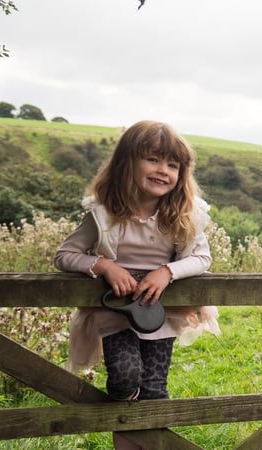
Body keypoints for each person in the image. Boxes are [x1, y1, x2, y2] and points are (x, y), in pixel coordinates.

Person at [54, 120, 221, 450]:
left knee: (155, 389)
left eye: (172, 165)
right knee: (126, 376)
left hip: (160, 314)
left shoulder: (185, 214)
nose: (163, 171)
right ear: (126, 162)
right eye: (153, 160)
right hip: (115, 312)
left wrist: (167, 272)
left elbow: (202, 258)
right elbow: (65, 254)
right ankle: (126, 425)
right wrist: (103, 265)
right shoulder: (103, 214)